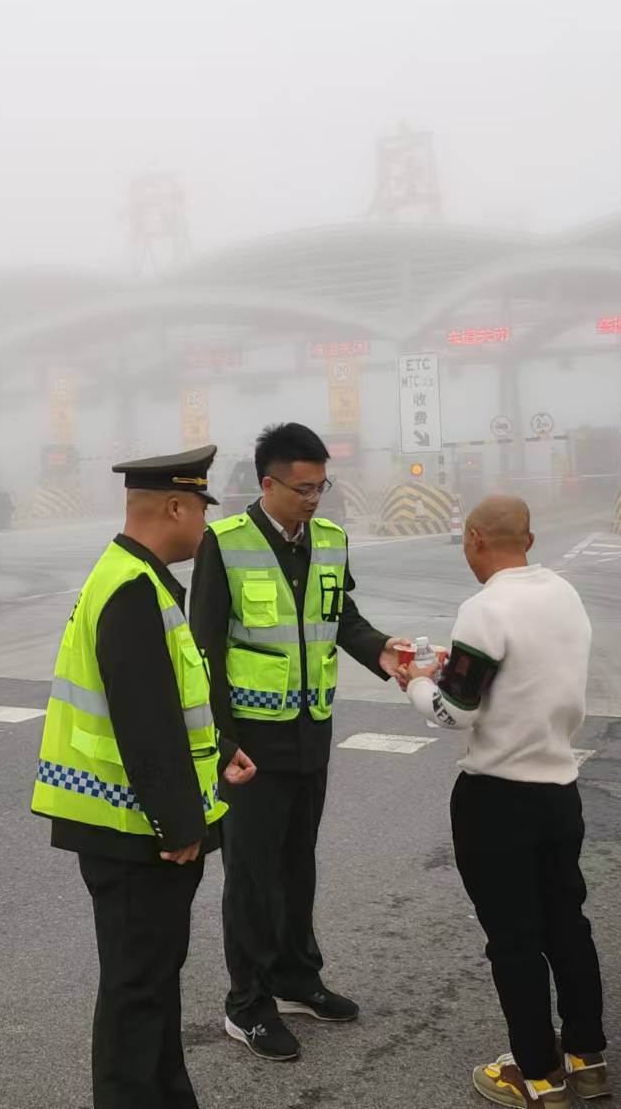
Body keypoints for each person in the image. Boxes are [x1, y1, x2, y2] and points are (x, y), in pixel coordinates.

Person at [30, 444, 258, 1109]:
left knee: (153, 981)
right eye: (202, 511)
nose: (205, 527)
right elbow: (144, 720)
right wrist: (180, 822)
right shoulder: (132, 586)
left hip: (138, 826)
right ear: (176, 506)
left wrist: (222, 747)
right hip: (133, 833)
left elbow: (175, 701)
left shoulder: (139, 577)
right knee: (136, 990)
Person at [190, 422, 414, 1062]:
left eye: (322, 486)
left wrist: (385, 653)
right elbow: (203, 649)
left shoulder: (332, 542)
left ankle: (295, 979)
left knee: (297, 866)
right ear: (267, 483)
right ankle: (247, 1004)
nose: (314, 498)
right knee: (252, 877)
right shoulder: (226, 545)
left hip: (309, 735)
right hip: (248, 749)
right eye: (303, 487)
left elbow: (342, 618)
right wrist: (220, 739)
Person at [401, 494, 612, 1106]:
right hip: (558, 792)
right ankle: (586, 1058)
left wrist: (417, 683)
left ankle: (538, 1075)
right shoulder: (563, 595)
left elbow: (453, 711)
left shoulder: (485, 608)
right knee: (567, 925)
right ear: (530, 538)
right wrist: (453, 672)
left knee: (514, 940)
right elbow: (518, 677)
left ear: (473, 539)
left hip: (496, 801)